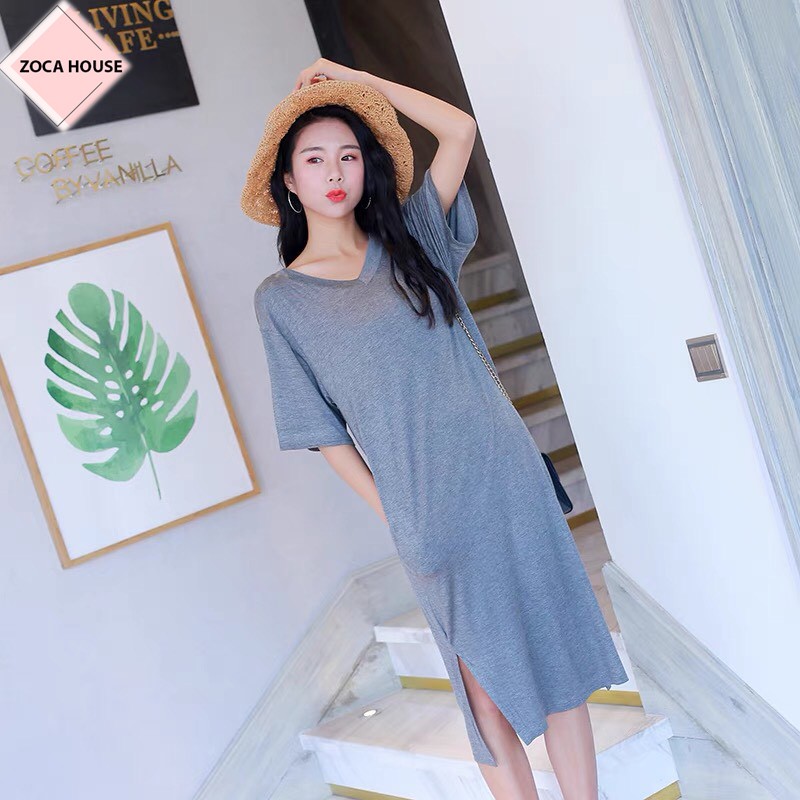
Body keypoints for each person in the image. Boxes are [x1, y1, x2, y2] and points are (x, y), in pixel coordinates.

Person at [241, 58, 629, 800]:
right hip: (428, 509)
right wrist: (396, 514)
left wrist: (355, 81)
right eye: (314, 159)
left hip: (507, 478)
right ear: (287, 181)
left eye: (349, 155)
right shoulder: (281, 301)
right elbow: (324, 433)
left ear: (367, 168)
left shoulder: (414, 238)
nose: (334, 172)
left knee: (560, 662)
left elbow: (459, 130)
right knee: (485, 697)